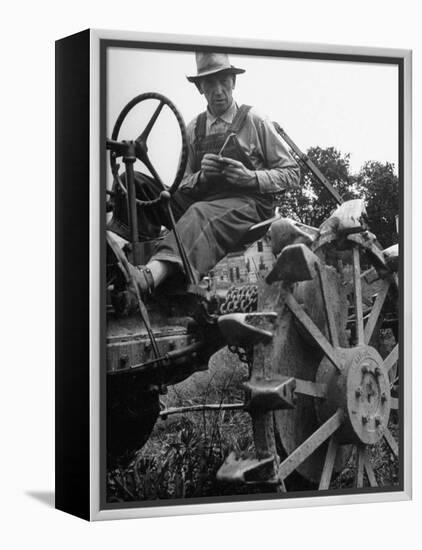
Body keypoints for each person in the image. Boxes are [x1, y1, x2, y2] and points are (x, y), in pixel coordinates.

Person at [109, 52, 300, 296]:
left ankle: (148, 278)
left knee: (199, 212)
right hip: (205, 200)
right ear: (200, 87)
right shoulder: (194, 128)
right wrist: (202, 178)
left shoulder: (255, 121)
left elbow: (293, 173)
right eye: (210, 83)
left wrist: (250, 177)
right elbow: (183, 183)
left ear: (234, 82)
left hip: (250, 207)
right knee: (133, 183)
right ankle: (120, 254)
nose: (218, 90)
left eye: (223, 81)